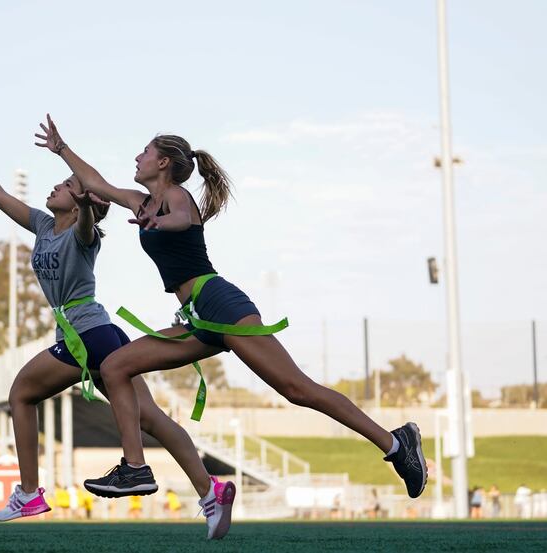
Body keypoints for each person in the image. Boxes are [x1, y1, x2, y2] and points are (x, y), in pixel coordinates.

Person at [35, 115, 428, 505]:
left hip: (220, 302)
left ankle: (396, 443)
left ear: (163, 163)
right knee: (116, 366)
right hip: (196, 317)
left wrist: (159, 221)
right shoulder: (141, 201)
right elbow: (97, 183)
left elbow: (185, 219)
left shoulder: (174, 197)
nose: (137, 157)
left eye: (145, 152)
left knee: (296, 389)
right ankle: (135, 468)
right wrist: (62, 149)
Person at [0, 124, 233, 539]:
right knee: (151, 419)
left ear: (79, 204)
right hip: (99, 335)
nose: (56, 187)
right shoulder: (42, 226)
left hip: (88, 335)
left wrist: (90, 205)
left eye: (66, 185)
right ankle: (210, 491)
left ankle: (31, 492)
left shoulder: (82, 233)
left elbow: (90, 222)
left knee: (21, 393)